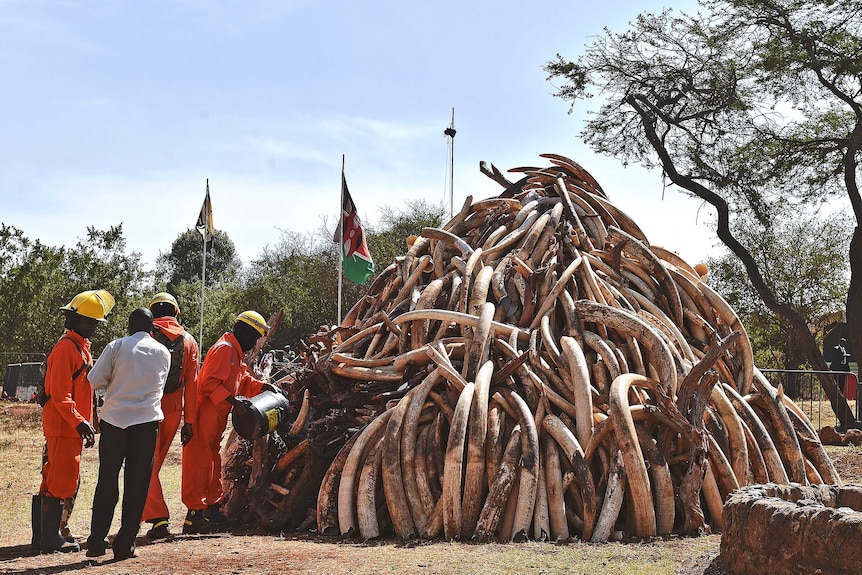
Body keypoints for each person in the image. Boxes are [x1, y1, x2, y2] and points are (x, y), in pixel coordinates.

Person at [85, 308, 170, 561]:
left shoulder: (117, 346)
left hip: (114, 421)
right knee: (137, 484)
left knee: (107, 481)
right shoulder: (164, 352)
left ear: (130, 326)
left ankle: (97, 542)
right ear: (152, 328)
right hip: (146, 424)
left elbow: (94, 379)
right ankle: (124, 544)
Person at [182, 310, 276, 534]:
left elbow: (241, 380)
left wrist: (262, 387)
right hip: (205, 415)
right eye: (254, 337)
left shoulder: (234, 351)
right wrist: (234, 402)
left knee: (213, 463)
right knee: (200, 465)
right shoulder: (225, 349)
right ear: (245, 331)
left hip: (216, 416)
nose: (255, 343)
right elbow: (208, 385)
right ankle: (193, 518)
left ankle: (212, 510)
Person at [35, 289, 114, 553]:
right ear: (73, 320)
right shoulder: (66, 349)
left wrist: (86, 422)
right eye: (89, 321)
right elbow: (59, 394)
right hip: (63, 426)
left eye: (95, 322)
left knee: (53, 479)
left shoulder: (79, 348)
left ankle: (44, 537)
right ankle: (49, 539)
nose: (93, 327)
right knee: (61, 480)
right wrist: (80, 421)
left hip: (68, 426)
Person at [141, 292, 200, 540]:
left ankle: (158, 518)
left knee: (146, 463)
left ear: (152, 313)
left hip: (146, 405)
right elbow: (192, 384)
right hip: (174, 409)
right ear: (176, 312)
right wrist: (189, 421)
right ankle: (157, 516)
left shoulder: (145, 336)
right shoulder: (189, 341)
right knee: (153, 463)